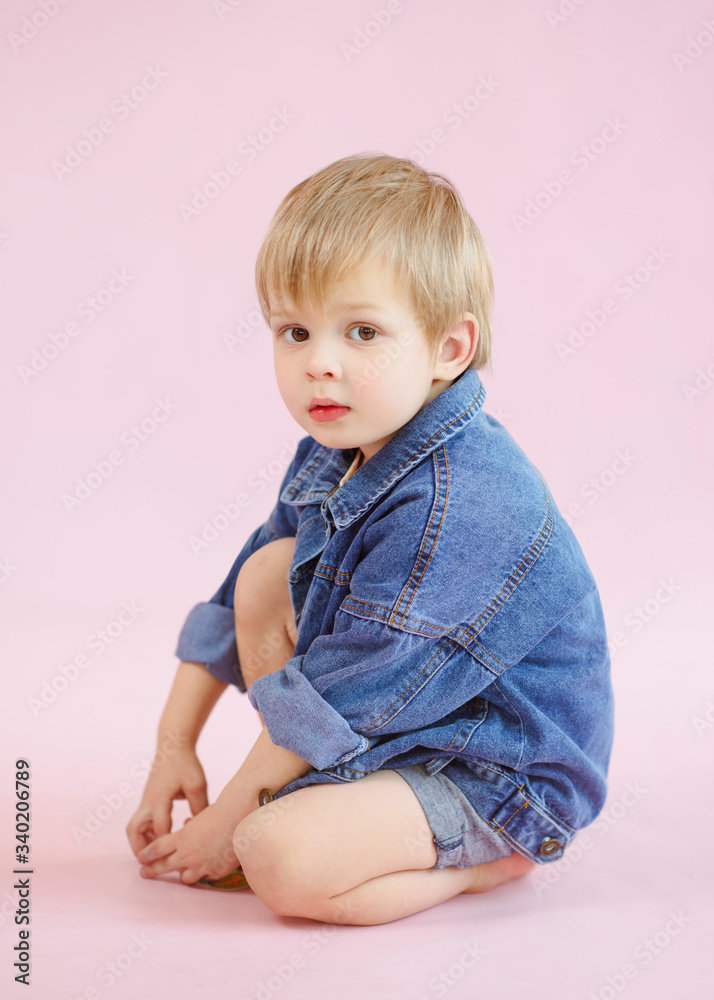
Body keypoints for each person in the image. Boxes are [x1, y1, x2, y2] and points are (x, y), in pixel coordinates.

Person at [125, 152, 614, 926]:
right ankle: (306, 794)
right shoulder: (342, 448)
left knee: (278, 857)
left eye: (362, 331)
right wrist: (172, 745)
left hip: (498, 765)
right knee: (265, 573)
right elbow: (236, 601)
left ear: (450, 349)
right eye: (295, 331)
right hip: (400, 717)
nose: (320, 363)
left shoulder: (463, 503)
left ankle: (492, 860)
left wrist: (231, 826)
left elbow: (346, 688)